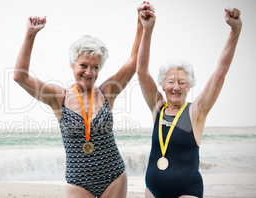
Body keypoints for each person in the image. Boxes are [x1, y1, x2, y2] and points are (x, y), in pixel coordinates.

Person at [13, 2, 154, 197]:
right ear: (72, 64)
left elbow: (133, 61)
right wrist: (30, 35)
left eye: (95, 67)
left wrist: (141, 24)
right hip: (78, 181)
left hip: (113, 176)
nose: (89, 72)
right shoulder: (58, 97)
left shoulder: (107, 92)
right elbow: (20, 77)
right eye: (83, 65)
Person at [136, 6, 242, 198]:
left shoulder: (195, 112)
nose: (176, 87)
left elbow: (219, 74)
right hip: (153, 189)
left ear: (189, 87)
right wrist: (147, 29)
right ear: (163, 85)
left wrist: (235, 31)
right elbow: (141, 71)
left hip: (187, 191)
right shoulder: (157, 107)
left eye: (182, 82)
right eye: (171, 82)